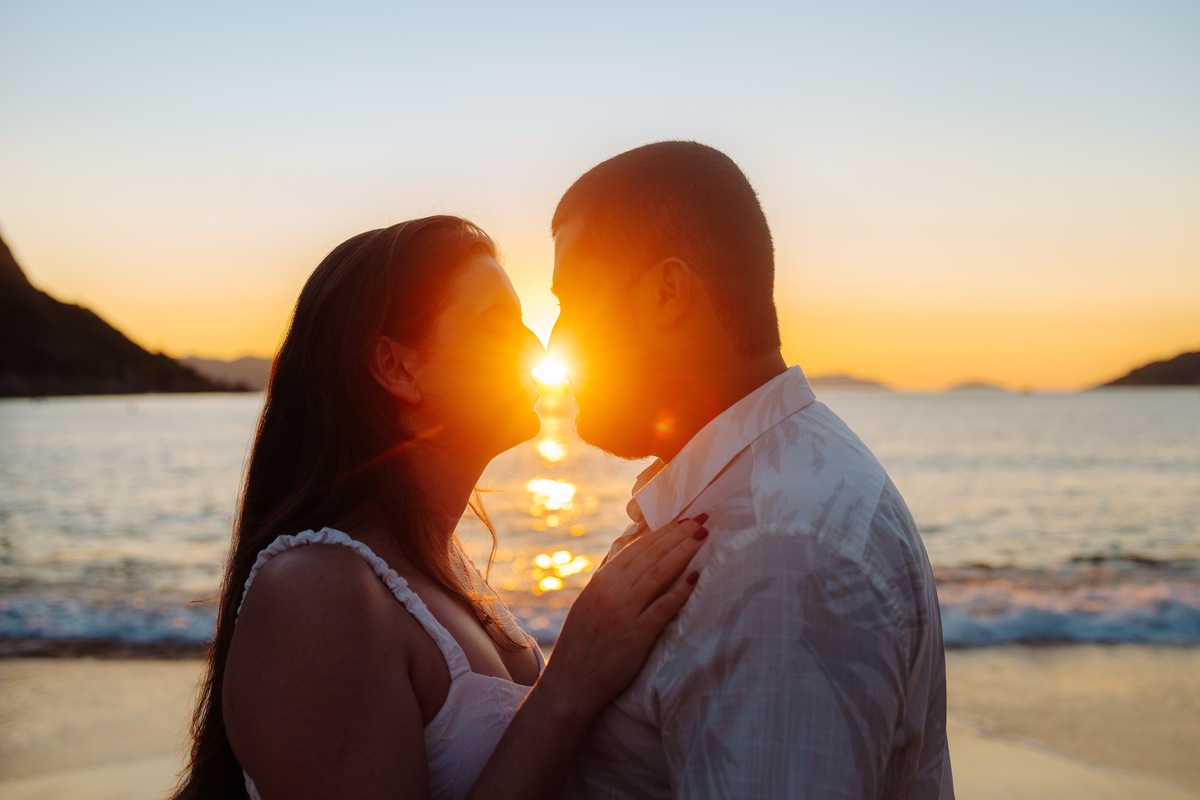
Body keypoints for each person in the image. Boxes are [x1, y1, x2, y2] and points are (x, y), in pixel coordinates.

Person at [170, 215, 709, 800]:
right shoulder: (315, 593)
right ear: (398, 368)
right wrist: (570, 686)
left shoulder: (440, 567)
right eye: (497, 324)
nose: (535, 347)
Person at [548, 141, 955, 798]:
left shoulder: (782, 555)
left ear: (667, 292)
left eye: (573, 303)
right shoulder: (751, 494)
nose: (556, 339)